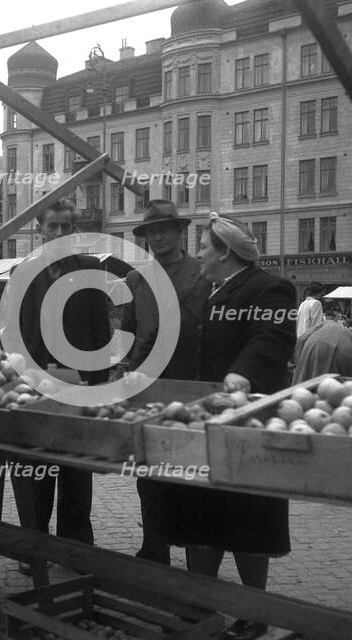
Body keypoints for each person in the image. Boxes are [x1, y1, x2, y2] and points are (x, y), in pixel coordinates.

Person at [160, 212, 297, 640]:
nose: (198, 253)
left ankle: (254, 613)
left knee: (248, 520)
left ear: (225, 252)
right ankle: (204, 604)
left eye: (204, 246)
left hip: (247, 424)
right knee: (200, 516)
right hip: (203, 420)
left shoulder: (268, 287)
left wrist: (243, 372)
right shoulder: (205, 289)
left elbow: (271, 338)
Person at [8, 198, 111, 573]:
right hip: (36, 385)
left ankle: (76, 546)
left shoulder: (88, 269)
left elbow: (101, 330)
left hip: (79, 384)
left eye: (67, 227)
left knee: (76, 469)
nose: (60, 233)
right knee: (35, 467)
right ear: (40, 229)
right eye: (53, 226)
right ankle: (35, 547)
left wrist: (99, 387)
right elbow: (14, 331)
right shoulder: (25, 271)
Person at [121, 199, 210, 564]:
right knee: (150, 475)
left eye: (164, 230)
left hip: (190, 385)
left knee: (190, 477)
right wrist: (122, 373)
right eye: (150, 232)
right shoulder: (137, 278)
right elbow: (128, 331)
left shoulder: (203, 274)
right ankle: (154, 549)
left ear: (179, 231)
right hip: (148, 389)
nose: (157, 237)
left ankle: (195, 558)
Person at [292, 319, 352, 383]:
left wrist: (299, 361)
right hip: (344, 352)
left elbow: (302, 339)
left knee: (306, 379)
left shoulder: (322, 325)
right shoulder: (349, 336)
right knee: (339, 386)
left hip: (314, 345)